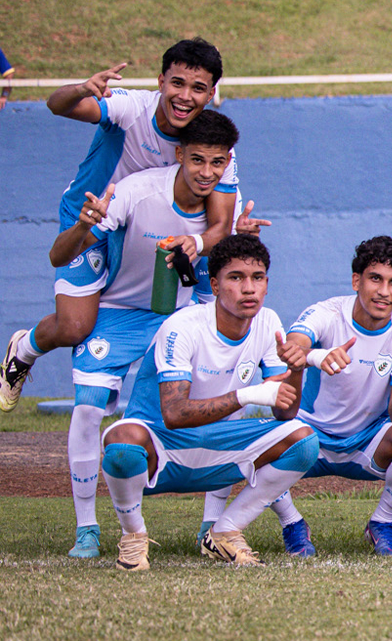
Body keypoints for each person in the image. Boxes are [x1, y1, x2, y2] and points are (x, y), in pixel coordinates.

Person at [40, 108, 239, 561]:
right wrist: (85, 224)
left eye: (217, 163)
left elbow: (223, 240)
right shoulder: (137, 190)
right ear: (178, 155)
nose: (207, 173)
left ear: (227, 162)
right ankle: (87, 529)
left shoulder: (225, 201)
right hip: (117, 312)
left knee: (223, 399)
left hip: (177, 318)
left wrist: (232, 237)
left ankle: (214, 527)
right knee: (88, 410)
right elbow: (58, 255)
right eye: (197, 161)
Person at [0, 40, 239, 416]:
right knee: (74, 327)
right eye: (177, 83)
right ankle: (24, 350)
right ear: (160, 81)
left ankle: (206, 409)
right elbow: (57, 106)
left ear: (211, 94)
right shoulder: (130, 108)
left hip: (153, 229)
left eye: (198, 88)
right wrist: (82, 88)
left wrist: (199, 241)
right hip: (93, 218)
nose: (185, 96)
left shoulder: (213, 146)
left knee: (218, 283)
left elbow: (221, 224)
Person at [95, 235, 318, 572]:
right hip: (162, 450)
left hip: (220, 452)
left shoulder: (268, 322)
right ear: (214, 285)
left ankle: (225, 531)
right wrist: (248, 394)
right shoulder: (182, 327)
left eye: (257, 278)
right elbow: (174, 414)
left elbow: (284, 411)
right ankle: (133, 537)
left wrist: (297, 370)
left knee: (302, 440)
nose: (248, 289)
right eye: (236, 278)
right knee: (120, 442)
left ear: (267, 285)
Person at [278, 236, 392, 557]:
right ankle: (292, 524)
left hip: (366, 444)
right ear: (356, 281)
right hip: (311, 439)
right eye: (375, 278)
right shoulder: (328, 312)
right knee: (262, 437)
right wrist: (316, 356)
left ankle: (382, 523)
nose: (383, 291)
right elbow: (295, 344)